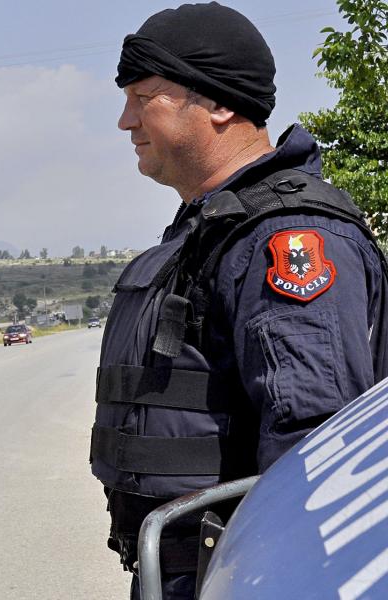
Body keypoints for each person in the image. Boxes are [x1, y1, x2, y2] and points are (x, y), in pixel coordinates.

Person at [89, 3, 388, 599]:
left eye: (144, 97)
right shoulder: (213, 228)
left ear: (219, 105)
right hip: (195, 574)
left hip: (246, 577)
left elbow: (310, 447)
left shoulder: (287, 237)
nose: (126, 121)